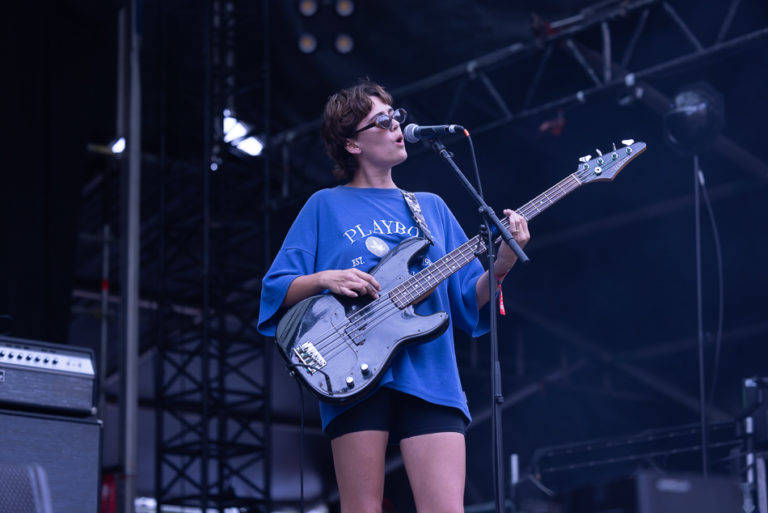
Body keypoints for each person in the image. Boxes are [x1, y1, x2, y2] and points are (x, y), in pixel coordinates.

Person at [257, 80, 530, 513]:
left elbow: (466, 298)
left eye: (395, 117)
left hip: (430, 374)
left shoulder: (430, 207)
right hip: (351, 371)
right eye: (381, 121)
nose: (396, 126)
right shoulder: (324, 206)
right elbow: (276, 288)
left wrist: (501, 265)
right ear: (352, 144)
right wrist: (326, 278)